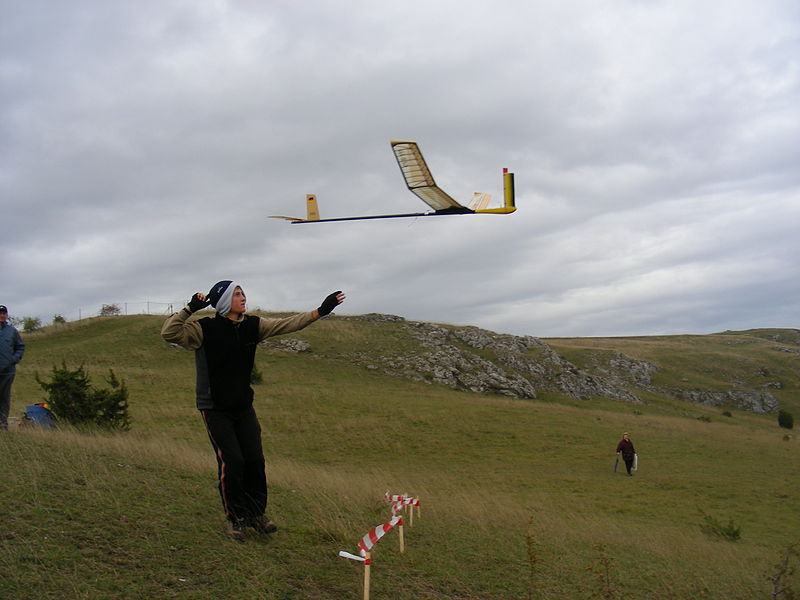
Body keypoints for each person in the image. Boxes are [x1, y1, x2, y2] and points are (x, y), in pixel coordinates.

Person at [161, 281, 344, 541]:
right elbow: (169, 333)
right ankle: (236, 519)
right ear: (223, 301)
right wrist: (190, 308)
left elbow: (289, 324)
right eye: (236, 294)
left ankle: (256, 514)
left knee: (255, 461)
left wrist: (320, 311)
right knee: (232, 462)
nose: (243, 297)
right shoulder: (203, 329)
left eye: (243, 293)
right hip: (215, 408)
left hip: (243, 406)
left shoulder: (253, 326)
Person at [0, 305, 26, 430]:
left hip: (7, 372)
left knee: (4, 397)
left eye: (4, 313)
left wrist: (13, 359)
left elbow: (20, 347)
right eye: (0, 313)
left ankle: (2, 423)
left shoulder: (12, 331)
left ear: (7, 315)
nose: (2, 315)